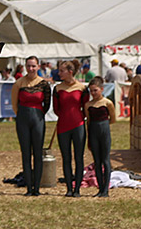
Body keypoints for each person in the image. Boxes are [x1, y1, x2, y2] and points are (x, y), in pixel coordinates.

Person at [10, 56, 51, 196]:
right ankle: (28, 187)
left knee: (38, 153)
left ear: (38, 67)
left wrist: (38, 114)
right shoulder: (19, 83)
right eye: (28, 66)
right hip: (22, 119)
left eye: (33, 66)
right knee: (26, 153)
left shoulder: (44, 84)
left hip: (38, 119)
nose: (31, 69)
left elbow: (47, 104)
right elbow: (14, 104)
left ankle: (37, 188)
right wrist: (22, 115)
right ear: (25, 67)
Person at [54, 60, 89, 197]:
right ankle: (69, 188)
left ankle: (77, 189)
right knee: (66, 157)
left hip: (78, 125)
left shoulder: (82, 88)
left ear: (70, 72)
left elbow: (85, 107)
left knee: (79, 157)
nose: (59, 73)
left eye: (61, 71)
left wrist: (79, 118)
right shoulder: (57, 88)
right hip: (63, 126)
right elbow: (56, 109)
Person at [84, 77, 116, 198]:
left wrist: (104, 126)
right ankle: (100, 188)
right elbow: (88, 120)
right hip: (93, 132)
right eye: (91, 91)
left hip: (104, 132)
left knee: (105, 160)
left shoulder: (107, 103)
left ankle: (106, 190)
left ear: (102, 89)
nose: (93, 93)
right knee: (97, 161)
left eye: (95, 90)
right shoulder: (88, 105)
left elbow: (113, 119)